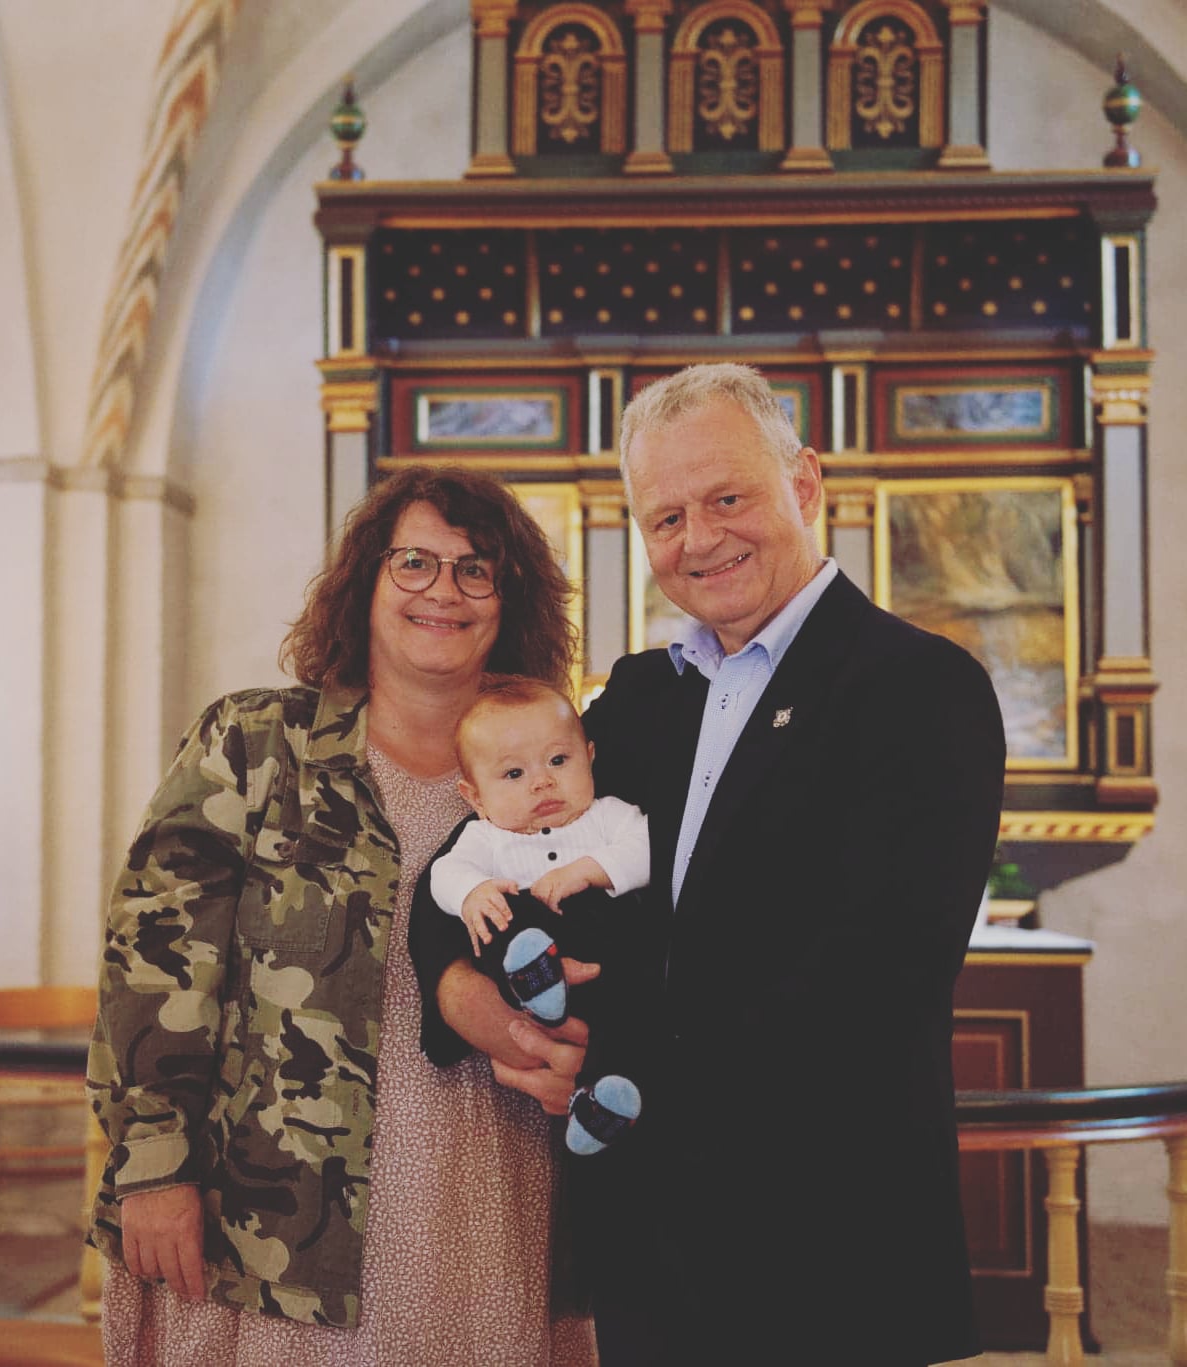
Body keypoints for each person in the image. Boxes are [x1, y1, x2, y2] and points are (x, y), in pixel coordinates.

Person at [415, 363, 1006, 1366]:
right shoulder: (643, 697)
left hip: (828, 1237)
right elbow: (476, 857)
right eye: (666, 517)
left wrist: (620, 1066)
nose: (698, 538)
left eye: (727, 498)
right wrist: (469, 996)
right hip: (647, 1240)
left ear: (803, 484)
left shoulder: (918, 687)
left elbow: (879, 973)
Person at [86, 468, 598, 1366]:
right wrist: (155, 1161)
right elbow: (154, 961)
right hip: (281, 1217)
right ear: (365, 579)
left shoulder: (561, 774)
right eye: (415, 562)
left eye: (475, 569)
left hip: (494, 1194)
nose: (443, 590)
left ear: (509, 598)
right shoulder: (255, 744)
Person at [428, 675, 649, 1153]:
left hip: (606, 966)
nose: (543, 781)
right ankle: (534, 975)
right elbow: (445, 873)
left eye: (558, 761)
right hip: (525, 962)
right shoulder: (485, 837)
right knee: (500, 912)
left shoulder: (609, 816)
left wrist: (588, 870)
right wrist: (472, 893)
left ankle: (600, 1105)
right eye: (514, 774)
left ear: (589, 756)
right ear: (475, 797)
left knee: (629, 1014)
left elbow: (646, 851)